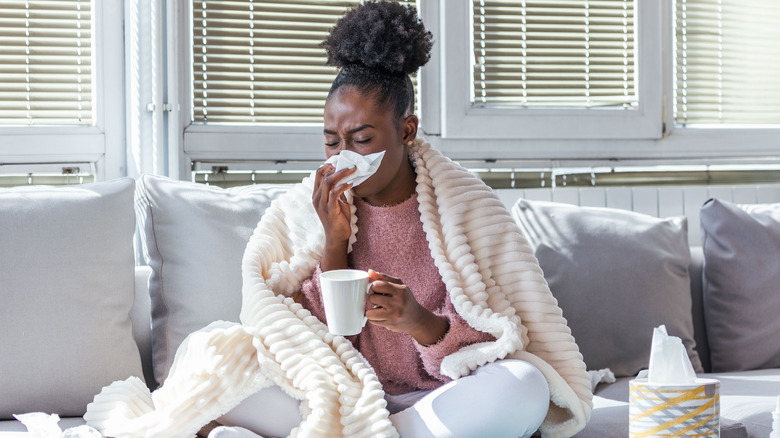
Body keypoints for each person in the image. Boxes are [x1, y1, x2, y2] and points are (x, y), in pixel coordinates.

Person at [85, 2, 591, 437]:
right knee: (215, 370)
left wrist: (422, 323)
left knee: (524, 387)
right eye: (332, 140)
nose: (343, 155)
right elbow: (298, 338)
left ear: (406, 129)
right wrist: (333, 243)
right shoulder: (307, 207)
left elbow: (504, 339)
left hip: (437, 396)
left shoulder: (468, 209)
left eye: (363, 139)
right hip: (336, 389)